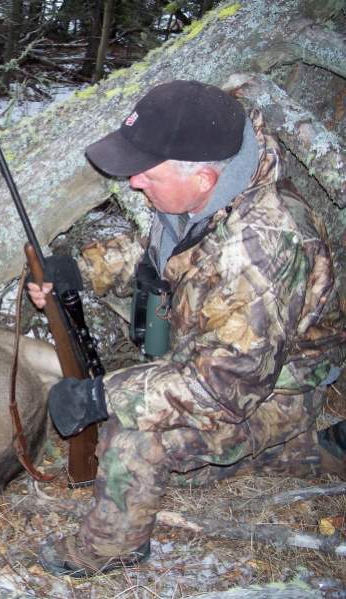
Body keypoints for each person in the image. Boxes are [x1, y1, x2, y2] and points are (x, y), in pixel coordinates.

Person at [27, 80, 346, 578]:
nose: (134, 184)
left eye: (146, 175)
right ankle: (309, 450)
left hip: (268, 390)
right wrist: (81, 270)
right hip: (220, 358)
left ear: (201, 178)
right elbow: (164, 251)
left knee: (133, 442)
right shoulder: (213, 189)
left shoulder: (260, 251)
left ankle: (112, 548)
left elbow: (224, 387)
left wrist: (101, 397)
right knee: (144, 408)